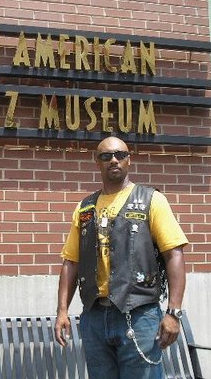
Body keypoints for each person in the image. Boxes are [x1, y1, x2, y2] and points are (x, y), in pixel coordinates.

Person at [54, 137, 188, 379]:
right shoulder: (84, 207)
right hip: (94, 316)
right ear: (97, 162)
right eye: (106, 156)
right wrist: (62, 311)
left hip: (140, 315)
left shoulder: (152, 200)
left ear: (129, 159)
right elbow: (70, 262)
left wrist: (173, 312)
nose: (113, 159)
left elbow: (174, 255)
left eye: (120, 154)